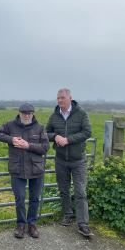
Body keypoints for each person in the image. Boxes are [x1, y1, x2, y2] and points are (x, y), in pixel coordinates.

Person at [0, 103, 50, 238]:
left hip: (36, 168)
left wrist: (28, 145)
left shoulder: (40, 127)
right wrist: (11, 140)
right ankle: (21, 225)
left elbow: (46, 147)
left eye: (29, 113)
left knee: (34, 198)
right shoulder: (10, 125)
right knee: (20, 197)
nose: (27, 115)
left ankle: (32, 224)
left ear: (33, 114)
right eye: (24, 113)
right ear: (19, 113)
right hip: (17, 167)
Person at [45, 88, 94, 237]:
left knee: (80, 192)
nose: (60, 101)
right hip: (61, 160)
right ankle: (67, 214)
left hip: (78, 160)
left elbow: (87, 132)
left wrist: (68, 140)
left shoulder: (81, 113)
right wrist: (57, 136)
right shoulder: (54, 115)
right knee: (64, 190)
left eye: (62, 98)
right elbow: (46, 133)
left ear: (70, 98)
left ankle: (83, 224)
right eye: (58, 98)